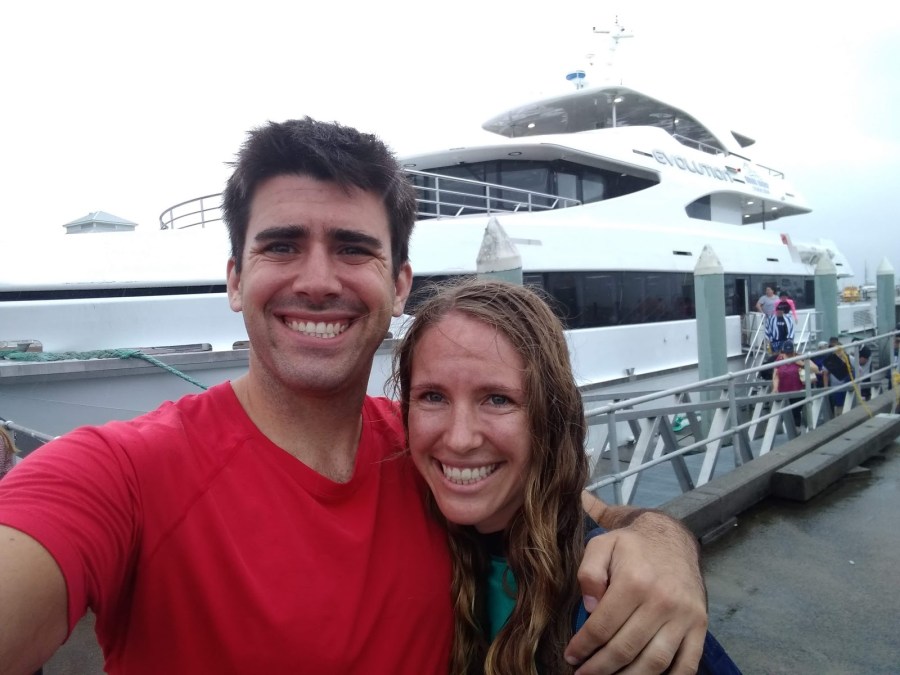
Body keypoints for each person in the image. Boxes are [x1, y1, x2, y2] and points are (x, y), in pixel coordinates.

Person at [0, 118, 706, 674]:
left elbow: (579, 511)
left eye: (352, 248)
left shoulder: (434, 449)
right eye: (281, 245)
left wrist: (663, 542)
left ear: (399, 285)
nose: (317, 280)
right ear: (235, 279)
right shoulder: (124, 472)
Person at [396, 278, 736, 675]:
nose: (459, 439)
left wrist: (667, 541)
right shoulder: (425, 511)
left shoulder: (608, 603)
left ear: (550, 418)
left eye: (498, 399)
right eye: (433, 396)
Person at [772, 340, 817, 429]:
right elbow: (776, 375)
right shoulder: (779, 359)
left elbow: (816, 370)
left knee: (795, 412)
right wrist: (775, 388)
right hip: (783, 392)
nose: (789, 354)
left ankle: (798, 430)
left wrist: (802, 364)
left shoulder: (800, 357)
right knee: (786, 414)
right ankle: (793, 431)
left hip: (798, 391)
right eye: (787, 352)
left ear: (793, 350)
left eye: (790, 352)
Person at [822, 337, 853, 415]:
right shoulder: (831, 360)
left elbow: (859, 369)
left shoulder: (849, 358)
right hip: (835, 388)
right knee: (838, 408)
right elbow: (825, 374)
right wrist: (826, 388)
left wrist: (857, 381)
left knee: (848, 406)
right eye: (836, 351)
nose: (838, 353)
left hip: (848, 386)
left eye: (840, 350)